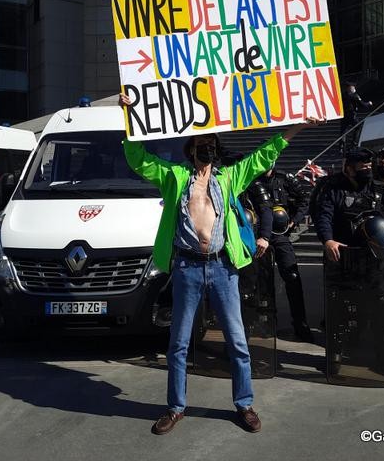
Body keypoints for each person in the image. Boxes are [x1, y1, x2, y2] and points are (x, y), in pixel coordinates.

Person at [119, 92, 322, 436]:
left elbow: (263, 155)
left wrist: (298, 127)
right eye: (201, 144)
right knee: (178, 343)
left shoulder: (229, 178)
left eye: (211, 144)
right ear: (190, 149)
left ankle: (244, 404)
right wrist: (128, 117)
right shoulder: (174, 177)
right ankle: (175, 407)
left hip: (223, 268)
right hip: (186, 268)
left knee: (238, 341)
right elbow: (138, 159)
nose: (206, 149)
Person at [313, 148, 384, 262]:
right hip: (344, 253)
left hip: (377, 254)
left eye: (370, 167)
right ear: (350, 170)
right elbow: (323, 216)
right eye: (363, 167)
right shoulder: (333, 189)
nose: (368, 171)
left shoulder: (380, 189)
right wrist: (328, 240)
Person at [254, 163, 313, 342]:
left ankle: (300, 323)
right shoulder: (252, 180)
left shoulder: (285, 179)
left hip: (280, 235)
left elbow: (305, 200)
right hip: (258, 236)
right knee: (262, 281)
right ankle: (266, 322)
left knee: (292, 277)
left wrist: (294, 221)